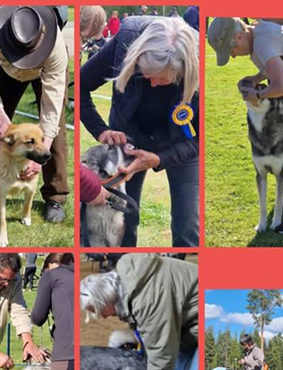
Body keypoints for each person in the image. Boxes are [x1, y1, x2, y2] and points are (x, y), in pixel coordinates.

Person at [80, 17, 201, 248]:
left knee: (188, 228)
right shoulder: (125, 39)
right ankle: (120, 276)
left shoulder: (201, 68)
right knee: (120, 219)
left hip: (182, 145)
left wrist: (159, 159)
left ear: (183, 71)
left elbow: (203, 138)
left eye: (161, 79)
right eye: (144, 74)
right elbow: (81, 84)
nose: (152, 85)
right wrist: (102, 131)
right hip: (129, 141)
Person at [208, 17, 283, 234]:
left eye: (230, 50)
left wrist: (258, 94)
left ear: (238, 36)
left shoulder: (263, 40)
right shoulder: (256, 41)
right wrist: (257, 77)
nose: (232, 56)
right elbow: (277, 63)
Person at [0, 6, 71, 223]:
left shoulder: (56, 48)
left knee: (56, 132)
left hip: (45, 73)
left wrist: (40, 157)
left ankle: (55, 194)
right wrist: (1, 119)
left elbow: (51, 109)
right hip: (4, 71)